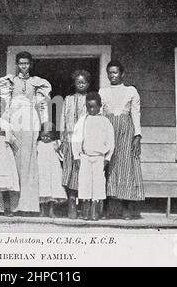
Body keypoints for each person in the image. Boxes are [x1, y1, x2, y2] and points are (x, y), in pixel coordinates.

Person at [0, 51, 51, 215]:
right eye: (21, 63)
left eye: (26, 63)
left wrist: (44, 124)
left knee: (28, 162)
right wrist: (3, 123)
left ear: (31, 64)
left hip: (30, 122)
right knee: (13, 161)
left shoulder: (37, 83)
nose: (24, 66)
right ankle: (11, 206)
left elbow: (42, 106)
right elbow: (5, 104)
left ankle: (27, 205)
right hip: (14, 121)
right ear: (17, 65)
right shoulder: (10, 81)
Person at [99, 60, 144, 220]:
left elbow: (135, 114)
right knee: (107, 167)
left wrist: (137, 136)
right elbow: (100, 115)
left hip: (126, 131)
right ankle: (105, 209)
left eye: (115, 72)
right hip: (108, 130)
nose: (112, 75)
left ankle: (126, 208)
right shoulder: (102, 92)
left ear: (122, 74)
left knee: (126, 167)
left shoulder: (131, 91)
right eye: (109, 73)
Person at [72, 92, 115, 221]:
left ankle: (95, 212)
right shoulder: (82, 120)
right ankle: (85, 211)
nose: (91, 109)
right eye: (89, 107)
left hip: (99, 158)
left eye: (94, 107)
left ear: (99, 106)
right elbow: (76, 138)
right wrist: (77, 156)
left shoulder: (105, 121)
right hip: (85, 156)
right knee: (85, 183)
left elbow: (110, 141)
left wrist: (107, 158)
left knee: (98, 184)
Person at [60, 69, 91, 218]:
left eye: (83, 82)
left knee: (83, 172)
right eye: (78, 82)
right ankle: (71, 202)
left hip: (85, 142)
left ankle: (85, 205)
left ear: (88, 84)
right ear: (74, 84)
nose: (81, 84)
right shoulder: (68, 99)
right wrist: (62, 138)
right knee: (70, 171)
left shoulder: (92, 100)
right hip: (69, 140)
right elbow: (63, 121)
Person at [37, 123, 67, 218]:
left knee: (52, 191)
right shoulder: (38, 144)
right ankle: (42, 211)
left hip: (53, 170)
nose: (45, 138)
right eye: (43, 136)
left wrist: (58, 150)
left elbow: (62, 157)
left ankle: (51, 211)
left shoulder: (55, 143)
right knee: (42, 191)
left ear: (53, 135)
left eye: (48, 136)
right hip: (42, 170)